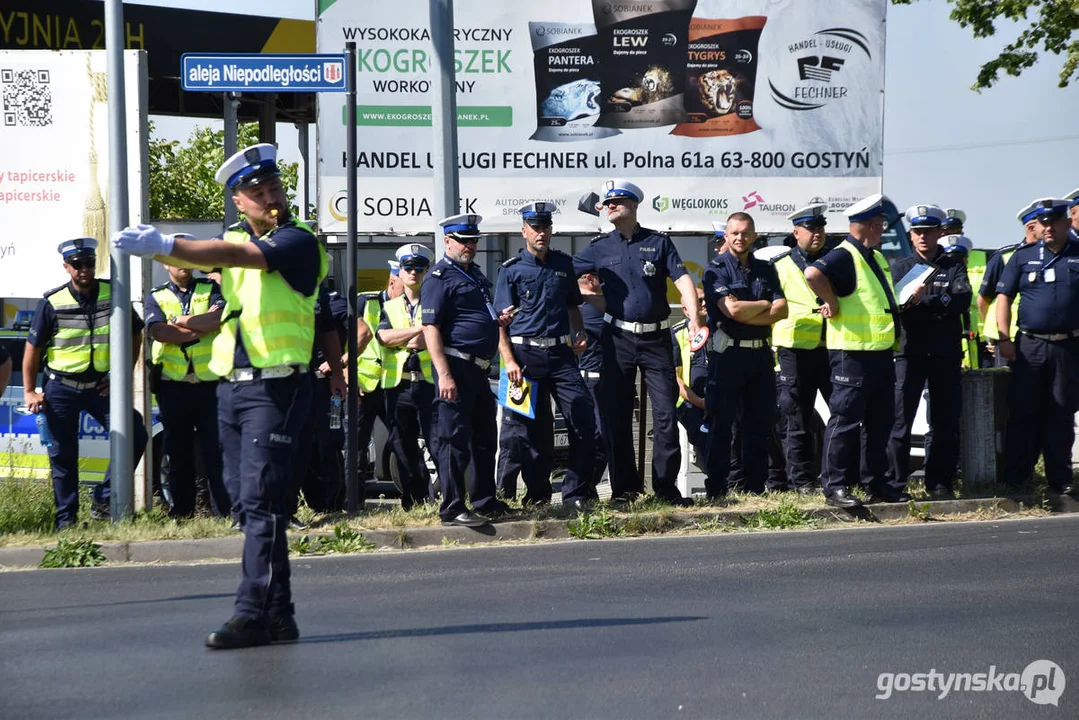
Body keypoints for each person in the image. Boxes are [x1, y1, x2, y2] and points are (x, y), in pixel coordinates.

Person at [113, 143, 328, 649]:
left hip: (277, 387)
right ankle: (279, 616)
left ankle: (252, 612)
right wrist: (168, 248)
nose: (270, 197)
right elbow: (216, 248)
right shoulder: (235, 237)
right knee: (245, 503)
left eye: (274, 187)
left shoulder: (298, 241)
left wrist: (165, 243)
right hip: (230, 388)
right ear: (239, 201)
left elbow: (232, 254)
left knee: (262, 501)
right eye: (257, 192)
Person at [572, 179, 703, 506]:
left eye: (616, 200)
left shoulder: (659, 243)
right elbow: (564, 274)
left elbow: (684, 279)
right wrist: (588, 297)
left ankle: (665, 489)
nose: (610, 206)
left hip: (657, 339)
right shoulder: (599, 247)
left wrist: (695, 318)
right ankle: (624, 491)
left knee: (665, 417)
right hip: (617, 340)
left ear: (633, 204)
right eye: (607, 202)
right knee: (617, 418)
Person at [23, 237, 148, 528]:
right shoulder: (51, 302)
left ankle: (103, 498)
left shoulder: (113, 292)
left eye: (89, 263)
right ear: (66, 267)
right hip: (60, 388)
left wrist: (119, 376)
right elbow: (33, 349)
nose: (84, 270)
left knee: (135, 433)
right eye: (77, 265)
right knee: (63, 457)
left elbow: (136, 334)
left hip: (99, 387)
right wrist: (29, 391)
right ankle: (66, 524)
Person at [805, 194, 905, 508]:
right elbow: (812, 274)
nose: (882, 231)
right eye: (879, 226)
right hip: (852, 353)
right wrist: (831, 302)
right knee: (845, 421)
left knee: (880, 423)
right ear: (866, 226)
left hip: (878, 352)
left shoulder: (872, 257)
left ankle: (876, 485)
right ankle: (833, 487)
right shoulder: (845, 254)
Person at [494, 202, 596, 512]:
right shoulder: (510, 270)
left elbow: (572, 306)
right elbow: (499, 323)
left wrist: (579, 333)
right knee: (532, 431)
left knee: (583, 418)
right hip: (525, 355)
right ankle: (537, 496)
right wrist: (509, 361)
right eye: (535, 227)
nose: (541, 233)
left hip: (561, 354)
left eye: (545, 227)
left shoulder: (564, 265)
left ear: (551, 230)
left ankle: (575, 493)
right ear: (524, 231)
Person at [421, 214, 515, 527]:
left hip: (479, 369)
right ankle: (451, 507)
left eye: (473, 241)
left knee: (485, 438)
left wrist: (496, 321)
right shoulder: (439, 276)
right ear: (447, 240)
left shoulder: (473, 274)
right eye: (463, 241)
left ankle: (485, 500)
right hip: (456, 366)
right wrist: (444, 375)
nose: (470, 246)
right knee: (454, 439)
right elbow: (431, 327)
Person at [886, 205, 972, 499]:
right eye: (918, 232)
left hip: (945, 353)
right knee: (900, 420)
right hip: (910, 353)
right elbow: (899, 308)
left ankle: (939, 483)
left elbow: (961, 300)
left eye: (929, 232)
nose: (923, 237)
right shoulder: (899, 267)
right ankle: (895, 483)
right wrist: (939, 304)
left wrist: (923, 303)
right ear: (911, 236)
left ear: (939, 233)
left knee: (945, 421)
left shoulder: (953, 265)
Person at [996, 198, 1079, 496]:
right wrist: (1003, 338)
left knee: (1061, 412)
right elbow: (1003, 297)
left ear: (1067, 223)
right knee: (1022, 412)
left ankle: (1060, 478)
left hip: (1068, 347)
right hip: (1029, 345)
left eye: (1054, 222)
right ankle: (1017, 478)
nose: (1048, 228)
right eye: (1043, 223)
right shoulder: (1023, 256)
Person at [701, 212, 787, 499]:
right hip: (728, 356)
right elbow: (732, 311)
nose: (740, 237)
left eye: (746, 232)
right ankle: (717, 490)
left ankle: (755, 488)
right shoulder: (715, 269)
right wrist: (764, 304)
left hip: (760, 356)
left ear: (754, 235)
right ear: (726, 235)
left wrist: (748, 312)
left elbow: (783, 309)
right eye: (735, 232)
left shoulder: (766, 268)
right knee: (722, 424)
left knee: (758, 424)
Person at [144, 262, 230, 519]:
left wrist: (180, 322)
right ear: (165, 264)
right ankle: (181, 513)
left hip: (209, 384)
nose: (183, 264)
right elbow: (159, 331)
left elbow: (218, 319)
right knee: (177, 453)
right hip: (173, 385)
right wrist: (197, 330)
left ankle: (224, 513)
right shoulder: (156, 295)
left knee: (216, 451)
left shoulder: (210, 288)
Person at [770, 203, 832, 493]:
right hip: (794, 351)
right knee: (797, 418)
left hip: (832, 346)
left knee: (841, 416)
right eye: (810, 228)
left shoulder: (834, 261)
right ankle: (801, 482)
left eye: (820, 227)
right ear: (796, 233)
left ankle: (838, 477)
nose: (816, 233)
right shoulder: (780, 266)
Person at [378, 243, 438, 511]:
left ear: (427, 271)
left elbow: (434, 338)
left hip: (428, 384)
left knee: (438, 442)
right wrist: (416, 332)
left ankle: (448, 499)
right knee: (402, 446)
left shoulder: (435, 301)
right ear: (400, 273)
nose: (413, 272)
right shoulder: (389, 307)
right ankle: (414, 500)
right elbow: (383, 337)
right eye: (408, 268)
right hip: (398, 385)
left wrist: (404, 337)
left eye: (419, 268)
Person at [288, 282, 349, 518]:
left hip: (326, 388)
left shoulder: (331, 299)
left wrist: (339, 365)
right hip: (301, 380)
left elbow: (361, 331)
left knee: (329, 442)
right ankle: (315, 503)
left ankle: (333, 502)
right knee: (305, 446)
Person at [979, 204, 1042, 364]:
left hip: (1039, 336)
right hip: (1008, 338)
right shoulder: (1005, 256)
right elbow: (983, 299)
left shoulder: (1052, 255)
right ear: (1031, 228)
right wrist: (994, 337)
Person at [576, 271, 608, 497]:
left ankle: (587, 488)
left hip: (592, 379)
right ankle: (586, 488)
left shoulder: (577, 307)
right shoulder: (591, 310)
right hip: (593, 380)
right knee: (599, 438)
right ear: (590, 279)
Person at [672, 287, 709, 468]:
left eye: (705, 299)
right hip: (689, 401)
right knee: (704, 436)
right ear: (686, 310)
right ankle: (718, 486)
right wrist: (701, 402)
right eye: (699, 300)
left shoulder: (719, 328)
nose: (704, 303)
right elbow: (675, 380)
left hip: (720, 397)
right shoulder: (676, 333)